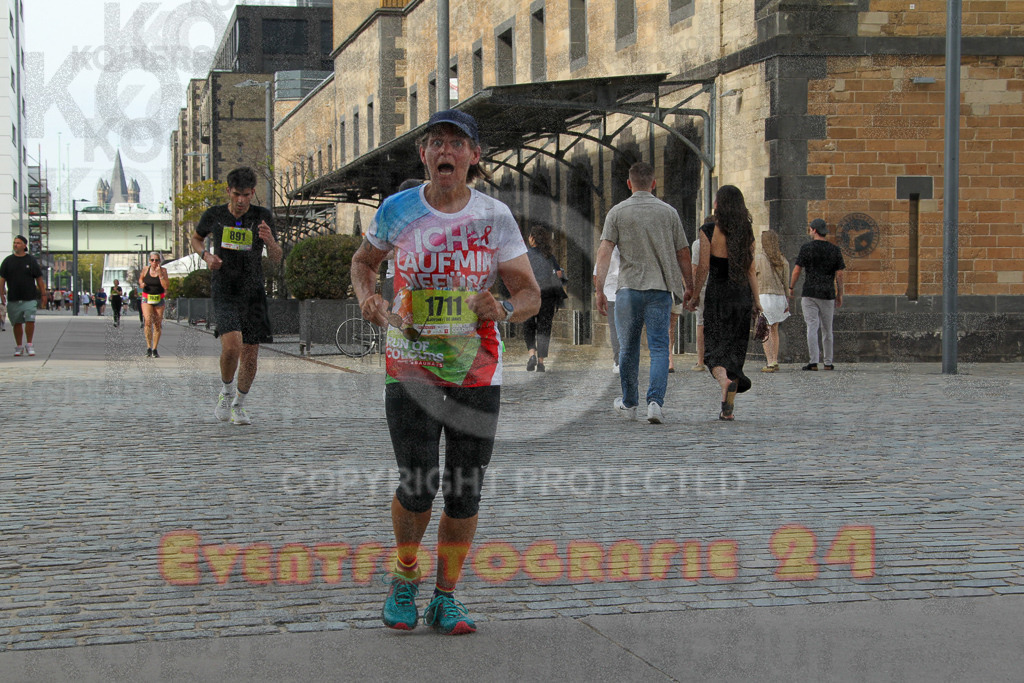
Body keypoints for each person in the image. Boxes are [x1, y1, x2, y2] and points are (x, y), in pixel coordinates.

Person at [350, 109, 540, 635]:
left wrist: (503, 308)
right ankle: (405, 576)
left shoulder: (495, 216)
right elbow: (363, 262)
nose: (446, 151)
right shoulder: (398, 209)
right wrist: (368, 296)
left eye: (457, 144)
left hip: (476, 371)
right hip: (410, 367)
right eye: (436, 142)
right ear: (424, 154)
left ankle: (445, 597)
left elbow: (529, 293)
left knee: (464, 491)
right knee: (418, 484)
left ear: (474, 156)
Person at [594, 162, 693, 425]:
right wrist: (689, 285)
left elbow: (604, 252)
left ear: (629, 184)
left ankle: (629, 403)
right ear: (654, 183)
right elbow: (683, 252)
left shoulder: (617, 212)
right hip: (659, 289)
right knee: (660, 347)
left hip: (628, 290)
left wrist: (599, 289)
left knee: (628, 348)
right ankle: (655, 403)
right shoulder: (669, 213)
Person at [191, 166, 282, 426]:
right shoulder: (215, 215)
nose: (241, 200)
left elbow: (276, 258)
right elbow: (196, 239)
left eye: (246, 195)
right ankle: (226, 391)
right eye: (236, 194)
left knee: (251, 354)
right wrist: (206, 256)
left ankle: (239, 405)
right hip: (225, 288)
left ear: (253, 192)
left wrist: (270, 241)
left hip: (253, 291)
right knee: (232, 346)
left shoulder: (262, 216)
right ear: (228, 191)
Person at [688, 185, 761, 421]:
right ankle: (727, 408)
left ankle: (723, 381)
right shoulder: (746, 231)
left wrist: (695, 294)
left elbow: (704, 267)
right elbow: (750, 270)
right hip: (741, 295)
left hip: (718, 295)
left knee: (713, 351)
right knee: (735, 351)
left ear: (717, 204)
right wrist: (757, 301)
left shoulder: (708, 230)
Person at [789, 218, 845, 371]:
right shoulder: (835, 250)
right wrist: (840, 293)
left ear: (814, 230)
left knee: (812, 326)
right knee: (827, 328)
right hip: (827, 293)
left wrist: (791, 286)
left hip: (810, 292)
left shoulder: (806, 248)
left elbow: (797, 270)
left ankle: (813, 361)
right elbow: (839, 274)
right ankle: (828, 362)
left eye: (810, 229)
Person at [523, 226, 566, 373]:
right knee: (544, 328)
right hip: (547, 296)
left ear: (533, 238)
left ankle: (532, 355)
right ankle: (541, 362)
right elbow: (559, 273)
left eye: (530, 236)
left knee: (529, 325)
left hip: (529, 296)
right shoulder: (549, 256)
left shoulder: (525, 256)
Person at [0, 235, 47, 356]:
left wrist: (43, 294)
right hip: (13, 297)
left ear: (24, 245)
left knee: (30, 320)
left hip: (29, 297)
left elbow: (39, 279)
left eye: (18, 243)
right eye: (14, 243)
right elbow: (2, 279)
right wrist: (1, 294)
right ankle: (19, 346)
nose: (15, 245)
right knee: (17, 323)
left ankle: (29, 344)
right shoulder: (7, 261)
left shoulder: (31, 260)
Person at [755, 229, 791, 372]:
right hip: (780, 298)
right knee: (775, 329)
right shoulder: (782, 260)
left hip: (765, 296)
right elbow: (786, 283)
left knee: (765, 329)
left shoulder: (758, 259)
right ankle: (775, 360)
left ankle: (769, 362)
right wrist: (787, 301)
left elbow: (752, 277)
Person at [593, 245, 621, 373]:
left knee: (615, 329)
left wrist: (599, 292)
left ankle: (618, 361)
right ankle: (626, 359)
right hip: (628, 294)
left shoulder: (606, 251)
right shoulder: (629, 247)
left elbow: (596, 276)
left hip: (611, 295)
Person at [690, 217, 713, 372]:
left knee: (701, 323)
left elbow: (695, 268)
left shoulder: (698, 244)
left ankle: (700, 360)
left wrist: (694, 291)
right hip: (720, 286)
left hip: (704, 286)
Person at [139, 253, 169, 358]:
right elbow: (141, 279)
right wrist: (141, 284)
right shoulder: (145, 269)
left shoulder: (163, 271)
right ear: (149, 261)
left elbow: (166, 286)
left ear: (160, 261)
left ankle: (155, 348)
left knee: (157, 324)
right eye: (152, 260)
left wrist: (160, 275)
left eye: (157, 260)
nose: (154, 262)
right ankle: (148, 347)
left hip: (159, 298)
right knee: (148, 321)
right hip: (147, 298)